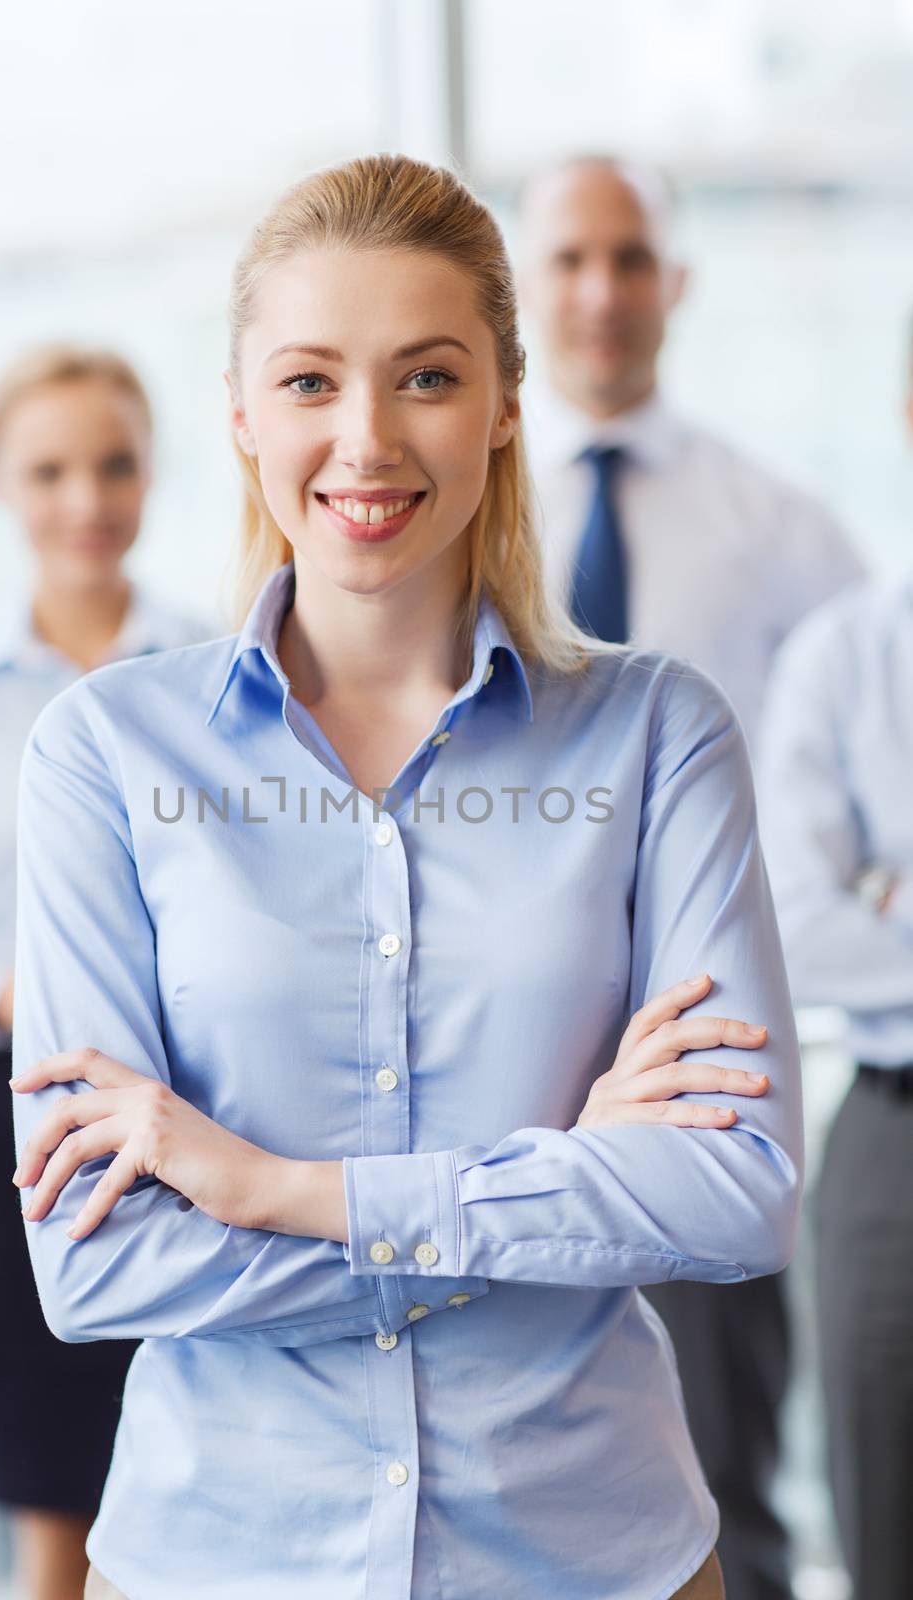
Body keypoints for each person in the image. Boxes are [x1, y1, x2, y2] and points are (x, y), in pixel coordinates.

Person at [9, 154, 803, 1600]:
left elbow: (732, 1194)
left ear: (504, 405)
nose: (364, 441)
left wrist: (268, 1186)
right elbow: (97, 1269)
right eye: (309, 382)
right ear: (241, 416)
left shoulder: (655, 735)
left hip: (595, 1556)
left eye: (424, 377)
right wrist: (557, 1188)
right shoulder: (103, 754)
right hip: (217, 1558)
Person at [517, 154, 865, 1600]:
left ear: (677, 281)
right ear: (522, 291)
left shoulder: (776, 529)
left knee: (720, 1489)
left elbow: (875, 747)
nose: (601, 293)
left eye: (630, 259)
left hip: (701, 1070)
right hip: (497, 1064)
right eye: (570, 261)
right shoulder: (426, 522)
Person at [0, 344, 209, 1600]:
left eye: (113, 464)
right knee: (53, 1518)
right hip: (11, 1130)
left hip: (192, 1113)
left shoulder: (222, 675)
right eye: (49, 470)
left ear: (154, 471)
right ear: (1, 487)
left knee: (214, 1491)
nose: (86, 500)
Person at [757, 364, 913, 1595]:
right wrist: (852, 897)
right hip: (890, 1135)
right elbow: (799, 930)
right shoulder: (844, 657)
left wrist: (891, 893)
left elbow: (852, 910)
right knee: (885, 1520)